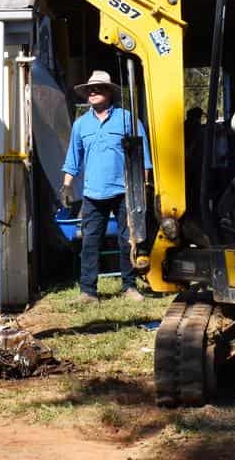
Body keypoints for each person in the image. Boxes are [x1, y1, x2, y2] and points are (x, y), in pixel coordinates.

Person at [61, 70, 152, 303]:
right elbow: (73, 158)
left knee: (127, 241)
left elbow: (143, 156)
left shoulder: (127, 120)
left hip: (124, 192)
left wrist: (144, 187)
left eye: (98, 88)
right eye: (90, 89)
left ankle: (129, 286)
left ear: (109, 93)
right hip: (92, 194)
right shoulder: (81, 125)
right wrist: (66, 187)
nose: (93, 92)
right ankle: (88, 291)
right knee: (90, 243)